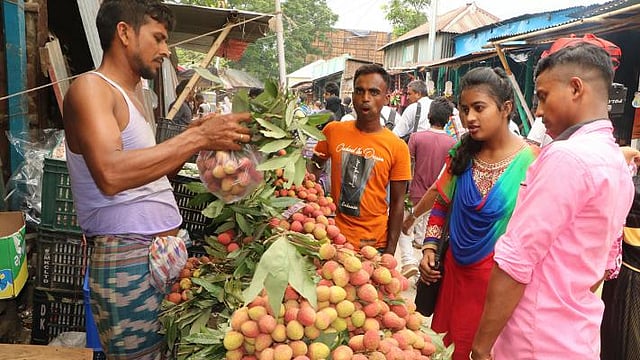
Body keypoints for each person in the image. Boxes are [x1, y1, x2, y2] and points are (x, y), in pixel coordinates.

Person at [62, 1, 251, 358]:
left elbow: (150, 176)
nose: (166, 50)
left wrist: (193, 142)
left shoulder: (136, 97)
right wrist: (193, 139)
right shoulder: (92, 89)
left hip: (159, 254)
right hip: (126, 258)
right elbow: (111, 174)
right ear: (124, 32)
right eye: (159, 38)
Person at [471, 43, 634, 360]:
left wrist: (481, 347)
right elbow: (604, 266)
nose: (539, 111)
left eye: (543, 97)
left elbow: (516, 260)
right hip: (577, 337)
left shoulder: (565, 158)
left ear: (575, 88)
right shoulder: (617, 164)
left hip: (533, 340)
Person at [419, 67, 538, 360]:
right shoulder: (462, 151)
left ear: (506, 108)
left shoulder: (533, 162)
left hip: (497, 286)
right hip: (453, 276)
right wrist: (430, 247)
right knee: (448, 350)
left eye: (479, 108)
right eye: (464, 109)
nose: (469, 117)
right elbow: (442, 204)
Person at [310, 64, 411, 254]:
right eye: (359, 91)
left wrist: (390, 251)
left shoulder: (397, 147)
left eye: (374, 92)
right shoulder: (332, 131)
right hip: (332, 238)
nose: (365, 98)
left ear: (386, 98)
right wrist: (314, 206)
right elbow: (314, 168)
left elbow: (398, 204)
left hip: (373, 244)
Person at [399, 97, 456, 278]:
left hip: (416, 193)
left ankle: (409, 261)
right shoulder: (453, 144)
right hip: (438, 199)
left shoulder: (416, 138)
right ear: (448, 119)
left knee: (405, 228)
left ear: (429, 115)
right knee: (428, 238)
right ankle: (419, 274)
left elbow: (408, 166)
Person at [601, 147, 640, 360]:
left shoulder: (632, 188)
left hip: (629, 282)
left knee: (621, 345)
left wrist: (622, 162)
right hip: (628, 276)